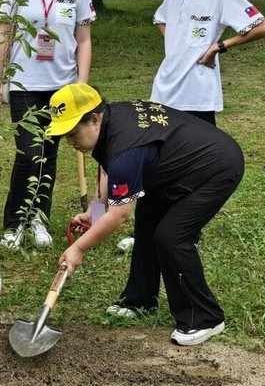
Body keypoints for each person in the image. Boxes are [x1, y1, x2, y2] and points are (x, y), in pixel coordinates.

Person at [116, 0, 265, 253]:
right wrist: (179, 46)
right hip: (165, 91)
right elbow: (160, 20)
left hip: (197, 96)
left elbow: (260, 26)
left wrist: (219, 46)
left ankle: (186, 229)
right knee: (157, 165)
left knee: (196, 167)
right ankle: (150, 228)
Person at [50, 83, 244, 346]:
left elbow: (119, 215)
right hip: (170, 169)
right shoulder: (110, 120)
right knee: (147, 226)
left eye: (72, 134)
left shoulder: (125, 148)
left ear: (94, 119)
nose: (70, 143)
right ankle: (140, 298)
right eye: (65, 137)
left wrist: (78, 249)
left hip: (214, 167)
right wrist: (94, 213)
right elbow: (109, 168)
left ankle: (205, 317)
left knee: (171, 236)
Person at [0, 0, 95, 249]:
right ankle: (14, 221)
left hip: (62, 86)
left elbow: (85, 40)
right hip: (24, 85)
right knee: (28, 151)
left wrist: (81, 84)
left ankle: (39, 217)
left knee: (49, 153)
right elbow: (3, 34)